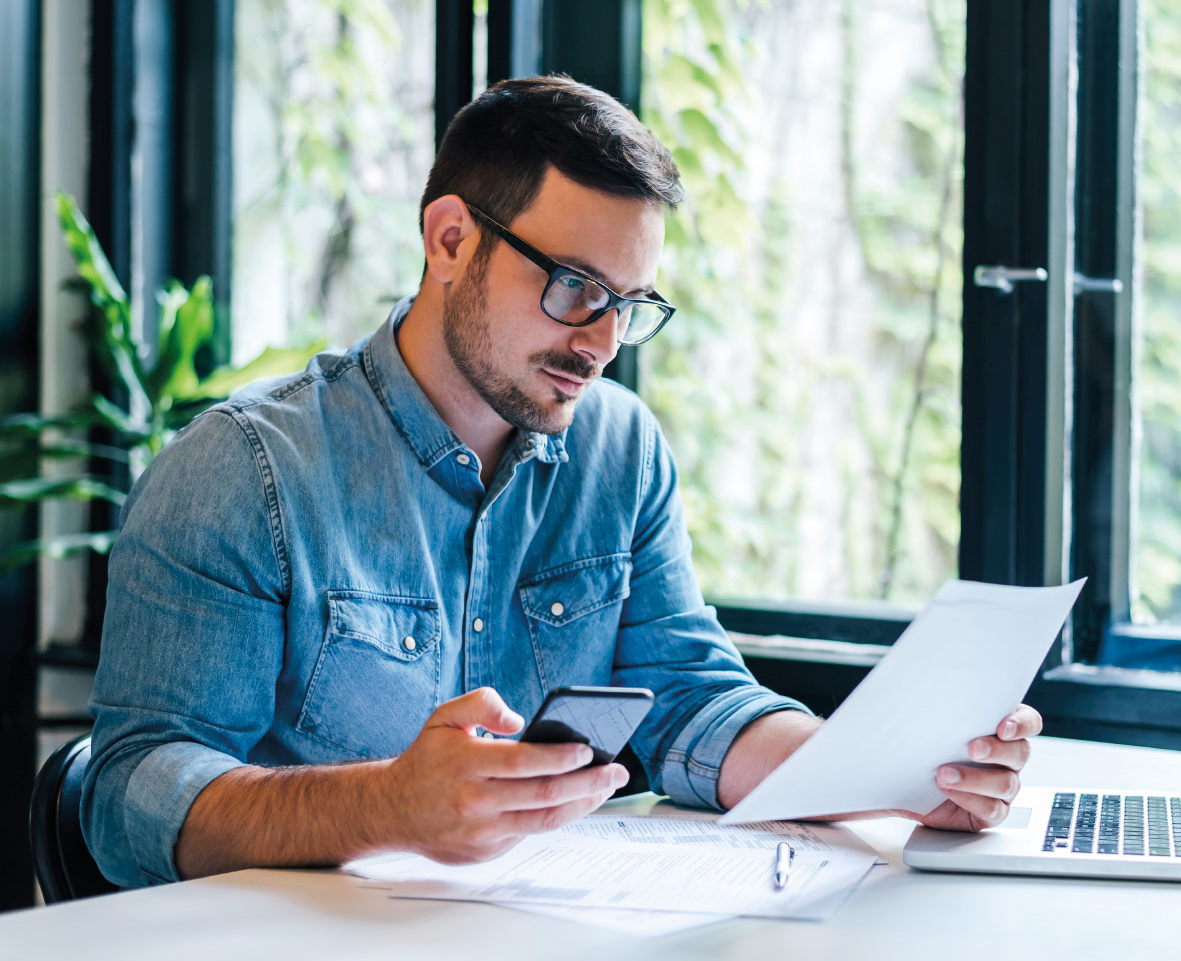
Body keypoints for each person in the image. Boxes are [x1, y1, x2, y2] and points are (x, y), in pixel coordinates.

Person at [82, 75, 1042, 888]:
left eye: (629, 304)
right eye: (575, 287)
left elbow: (686, 695)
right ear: (451, 240)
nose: (601, 344)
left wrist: (890, 772)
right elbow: (130, 796)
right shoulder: (245, 468)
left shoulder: (619, 451)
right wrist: (383, 805)